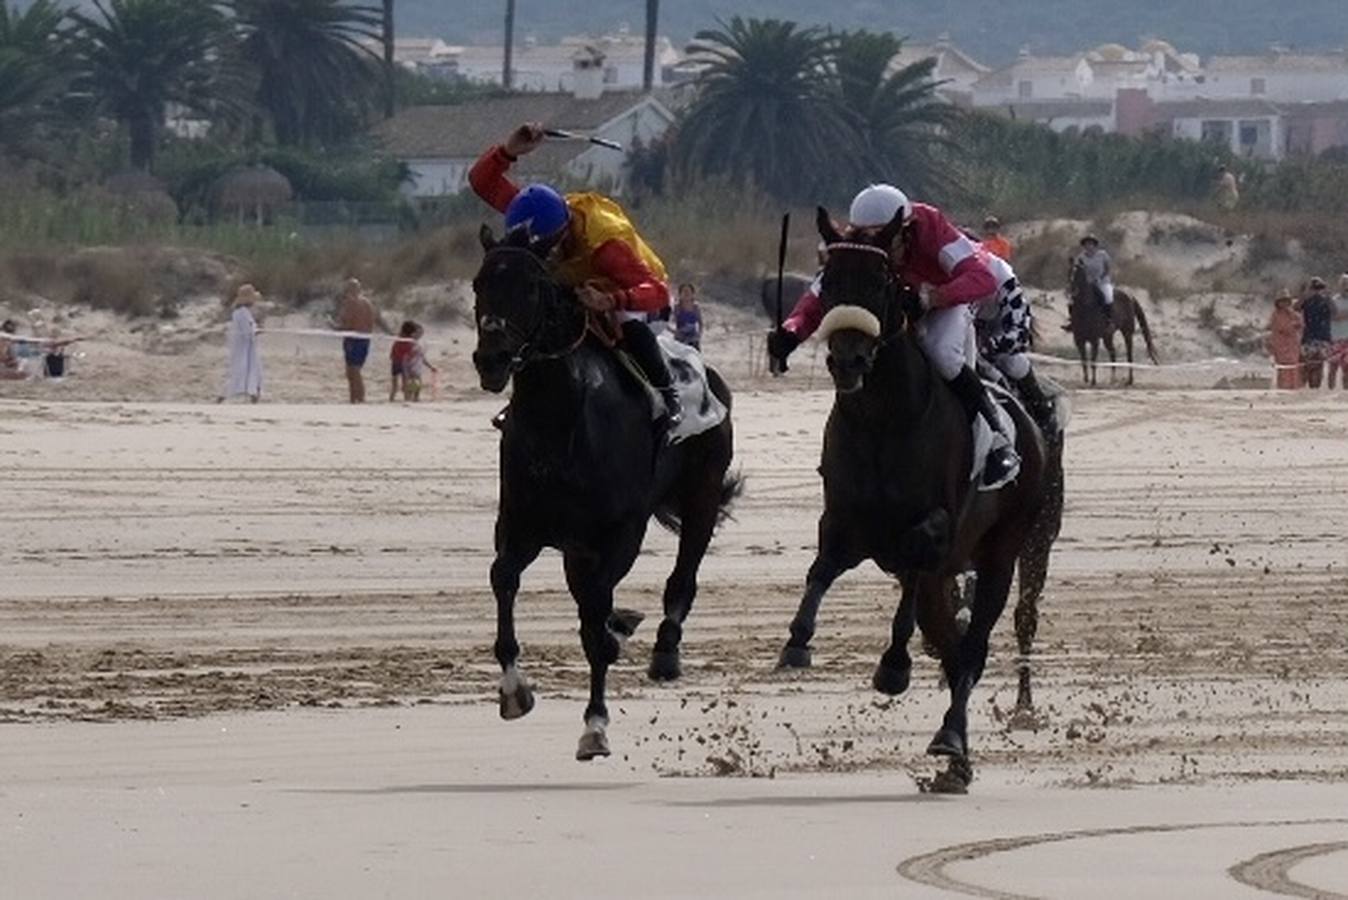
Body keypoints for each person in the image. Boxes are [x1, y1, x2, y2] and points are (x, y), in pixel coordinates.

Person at [768, 184, 1054, 489]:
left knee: (941, 353)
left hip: (956, 290)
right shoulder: (858, 247)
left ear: (906, 230)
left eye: (886, 237)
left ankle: (998, 443)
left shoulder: (932, 227)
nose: (879, 244)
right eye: (870, 236)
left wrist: (933, 298)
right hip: (907, 296)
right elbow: (816, 298)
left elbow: (980, 278)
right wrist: (791, 333)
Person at [468, 122, 681, 430]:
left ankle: (666, 395)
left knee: (625, 322)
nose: (541, 252)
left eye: (546, 247)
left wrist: (610, 299)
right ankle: (522, 400)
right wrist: (508, 150)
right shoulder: (533, 213)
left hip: (636, 294)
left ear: (562, 231)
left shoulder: (605, 243)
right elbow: (480, 181)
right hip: (582, 283)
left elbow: (657, 292)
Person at [220, 284, 263, 403]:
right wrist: (255, 331)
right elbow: (247, 331)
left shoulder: (240, 312)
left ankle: (253, 393)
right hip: (244, 348)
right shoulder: (242, 313)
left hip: (246, 347)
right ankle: (229, 394)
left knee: (249, 370)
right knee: (242, 369)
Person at [337, 277, 375, 404]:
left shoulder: (351, 303)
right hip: (364, 339)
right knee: (353, 371)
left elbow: (347, 323)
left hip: (354, 339)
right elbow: (373, 322)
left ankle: (358, 399)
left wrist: (336, 327)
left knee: (353, 370)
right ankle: (355, 398)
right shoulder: (367, 303)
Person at [1296, 276, 1334, 390]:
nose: (1317, 290)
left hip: (1323, 337)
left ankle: (1315, 388)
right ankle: (1303, 387)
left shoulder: (1326, 301)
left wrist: (1328, 296)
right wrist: (1304, 294)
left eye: (1319, 287)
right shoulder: (1307, 301)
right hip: (1308, 337)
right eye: (1314, 288)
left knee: (1319, 365)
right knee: (1306, 365)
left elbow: (1335, 312)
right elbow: (1295, 308)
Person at [1267, 290, 1303, 390]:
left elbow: (1301, 323)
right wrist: (1292, 326)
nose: (1284, 303)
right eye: (1282, 301)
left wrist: (1296, 323)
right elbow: (1282, 328)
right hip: (1280, 345)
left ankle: (1294, 386)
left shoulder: (1292, 314)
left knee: (1293, 366)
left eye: (1286, 301)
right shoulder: (1275, 315)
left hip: (1293, 344)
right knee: (1283, 367)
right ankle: (1283, 387)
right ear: (1278, 302)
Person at [401, 322, 438, 402]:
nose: (419, 334)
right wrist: (406, 368)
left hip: (418, 366)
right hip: (410, 366)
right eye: (417, 332)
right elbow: (405, 357)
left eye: (421, 333)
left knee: (418, 383)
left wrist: (430, 366)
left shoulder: (420, 344)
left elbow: (422, 358)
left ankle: (415, 398)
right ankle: (409, 398)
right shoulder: (409, 342)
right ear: (412, 333)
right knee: (413, 383)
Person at [1326, 273, 1348, 390]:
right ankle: (1330, 390)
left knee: (1347, 369)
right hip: (1335, 338)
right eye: (1344, 284)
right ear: (1339, 286)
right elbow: (1331, 316)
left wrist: (1341, 315)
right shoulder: (1334, 300)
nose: (1346, 286)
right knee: (1333, 368)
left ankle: (1345, 393)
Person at [390, 320, 416, 401]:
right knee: (405, 382)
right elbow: (410, 353)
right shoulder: (410, 341)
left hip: (395, 362)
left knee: (394, 384)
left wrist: (392, 356)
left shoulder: (399, 338)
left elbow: (394, 348)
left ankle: (392, 398)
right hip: (404, 363)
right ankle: (407, 398)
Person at [674, 283, 703, 350]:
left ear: (692, 294)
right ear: (680, 294)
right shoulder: (677, 307)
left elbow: (700, 323)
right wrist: (674, 331)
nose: (686, 294)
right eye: (684, 292)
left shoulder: (695, 307)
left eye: (688, 292)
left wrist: (699, 334)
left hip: (693, 337)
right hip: (680, 338)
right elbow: (667, 322)